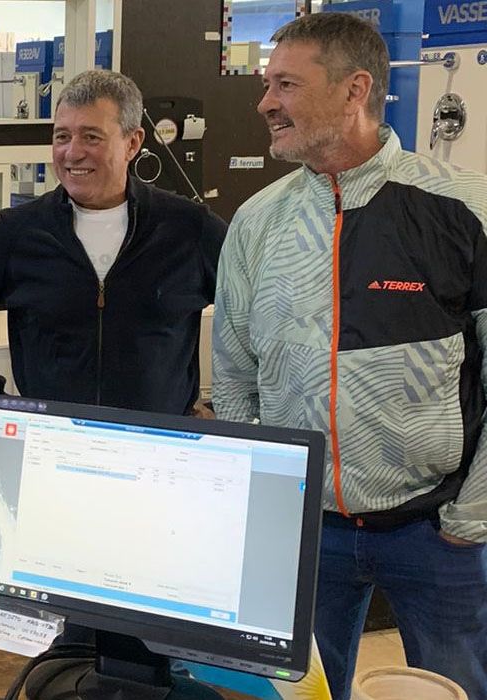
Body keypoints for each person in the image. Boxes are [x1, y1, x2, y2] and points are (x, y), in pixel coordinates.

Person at [212, 13, 487, 700]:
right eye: (267, 85)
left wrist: (470, 519)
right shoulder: (258, 222)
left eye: (285, 85)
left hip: (435, 530)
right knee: (287, 695)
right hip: (304, 532)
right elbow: (237, 378)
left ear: (353, 90)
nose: (265, 103)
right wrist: (267, 510)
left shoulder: (461, 206)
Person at [0, 70, 226, 414]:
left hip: (156, 450)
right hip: (54, 447)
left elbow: (257, 317)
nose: (72, 153)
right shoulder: (19, 233)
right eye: (62, 136)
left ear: (133, 143)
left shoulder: (188, 230)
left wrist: (228, 407)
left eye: (91, 137)